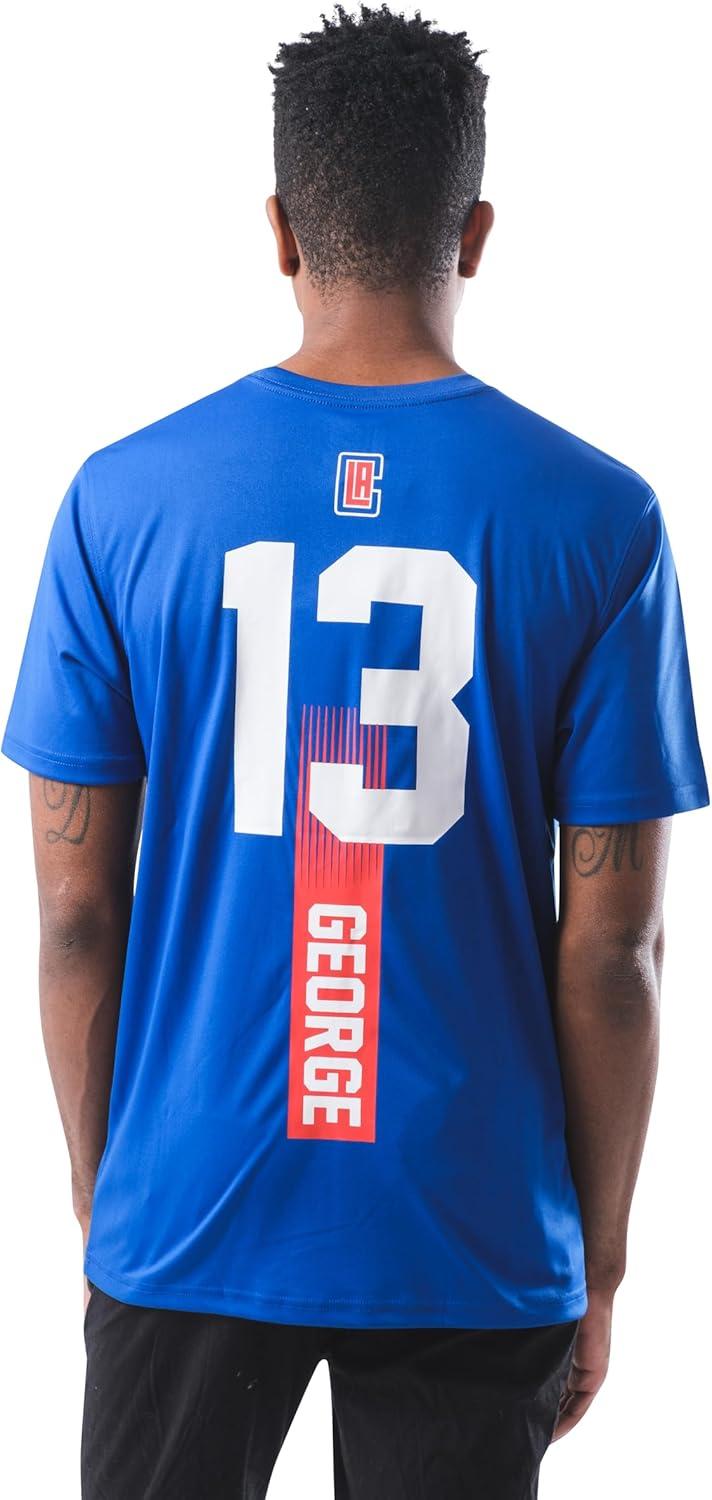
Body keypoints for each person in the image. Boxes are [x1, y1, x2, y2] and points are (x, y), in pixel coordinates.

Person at [3, 6, 708, 1497]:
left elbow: (75, 912)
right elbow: (616, 949)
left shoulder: (120, 502)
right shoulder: (603, 520)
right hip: (470, 1217)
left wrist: (106, 1198)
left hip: (192, 1195)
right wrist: (600, 1259)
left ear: (278, 228)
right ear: (477, 231)